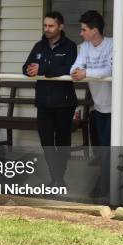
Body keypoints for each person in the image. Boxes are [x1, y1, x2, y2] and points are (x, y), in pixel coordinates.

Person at [22, 11, 77, 187]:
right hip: (44, 102)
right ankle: (56, 177)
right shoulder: (39, 46)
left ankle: (59, 177)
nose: (47, 29)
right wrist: (29, 70)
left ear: (60, 27)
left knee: (62, 142)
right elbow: (26, 67)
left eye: (51, 26)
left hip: (64, 103)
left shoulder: (70, 46)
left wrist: (42, 69)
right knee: (46, 141)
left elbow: (68, 69)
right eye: (45, 25)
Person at [70, 10, 113, 197]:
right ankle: (103, 184)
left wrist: (86, 73)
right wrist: (79, 72)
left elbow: (111, 69)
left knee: (110, 149)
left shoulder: (113, 44)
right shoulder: (85, 47)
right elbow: (75, 67)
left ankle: (106, 187)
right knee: (101, 149)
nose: (81, 33)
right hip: (98, 107)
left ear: (95, 30)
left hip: (116, 108)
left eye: (84, 29)